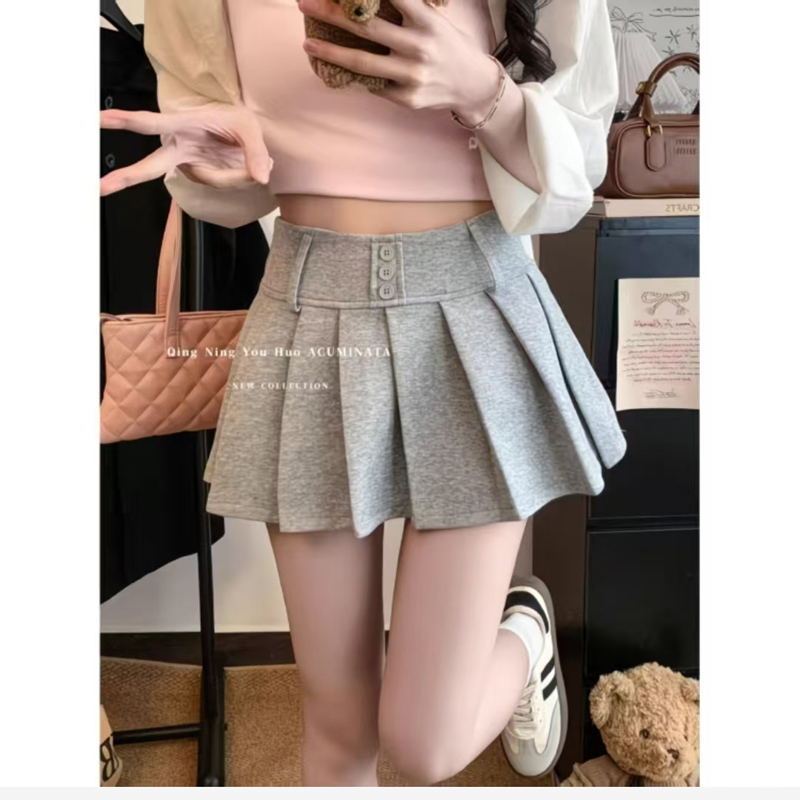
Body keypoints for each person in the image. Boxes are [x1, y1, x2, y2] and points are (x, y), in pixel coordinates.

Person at [100, 0, 626, 786]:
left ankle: (524, 635)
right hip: (307, 309)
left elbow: (577, 167)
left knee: (424, 744)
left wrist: (484, 93)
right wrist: (212, 165)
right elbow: (222, 165)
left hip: (473, 302)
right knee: (339, 724)